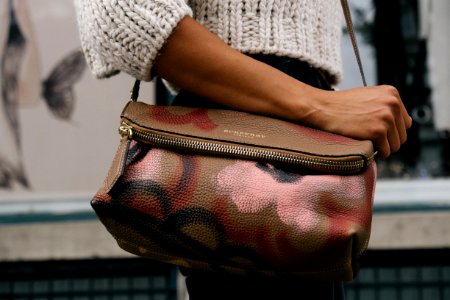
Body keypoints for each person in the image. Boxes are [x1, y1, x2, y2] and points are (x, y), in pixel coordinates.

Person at [74, 1, 412, 299]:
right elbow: (123, 12)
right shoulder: (308, 104)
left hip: (288, 120)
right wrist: (319, 104)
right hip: (243, 127)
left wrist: (321, 105)